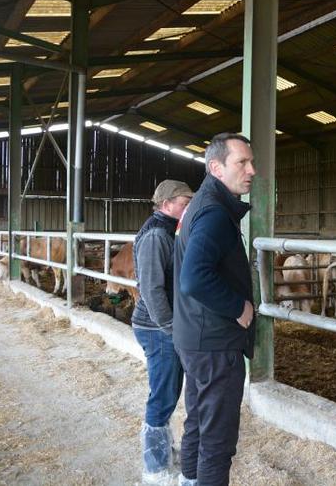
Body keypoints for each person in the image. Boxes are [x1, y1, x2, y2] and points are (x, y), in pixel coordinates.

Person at [172, 133, 257, 486]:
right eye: (242, 163)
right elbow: (194, 277)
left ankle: (187, 481)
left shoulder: (202, 204)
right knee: (218, 441)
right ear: (216, 167)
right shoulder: (213, 213)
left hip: (195, 335)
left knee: (197, 422)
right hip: (215, 342)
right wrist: (238, 307)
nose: (252, 170)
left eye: (252, 162)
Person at [132, 179, 193, 484]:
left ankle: (164, 452)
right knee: (163, 395)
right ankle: (155, 469)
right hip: (156, 328)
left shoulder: (168, 230)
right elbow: (152, 290)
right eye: (184, 202)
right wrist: (170, 328)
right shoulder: (157, 236)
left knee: (167, 391)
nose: (188, 207)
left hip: (162, 326)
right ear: (167, 203)